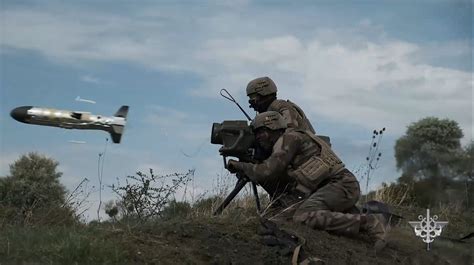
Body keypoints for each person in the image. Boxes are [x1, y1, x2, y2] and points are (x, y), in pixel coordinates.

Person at [227, 111, 389, 250]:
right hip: (331, 188)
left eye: (260, 133)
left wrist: (241, 165)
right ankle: (356, 218)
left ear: (271, 128)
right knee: (279, 220)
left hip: (339, 185)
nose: (258, 138)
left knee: (302, 216)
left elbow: (268, 171)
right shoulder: (291, 137)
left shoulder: (289, 138)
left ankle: (370, 222)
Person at [246, 76, 315, 134]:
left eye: (253, 97)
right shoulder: (270, 111)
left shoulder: (280, 106)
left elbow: (290, 130)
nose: (251, 101)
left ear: (264, 93)